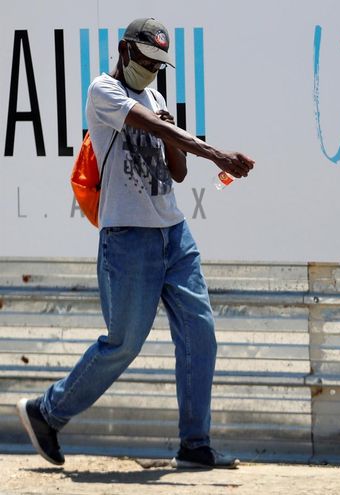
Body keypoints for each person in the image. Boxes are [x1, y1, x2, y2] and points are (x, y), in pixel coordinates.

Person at [16, 17, 254, 469]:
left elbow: (177, 172)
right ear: (125, 51)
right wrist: (216, 153)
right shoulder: (103, 91)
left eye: (159, 65)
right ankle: (46, 412)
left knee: (200, 333)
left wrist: (174, 136)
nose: (152, 70)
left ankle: (195, 445)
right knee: (123, 344)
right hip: (128, 239)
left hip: (174, 233)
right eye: (146, 60)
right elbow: (153, 128)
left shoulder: (155, 95)